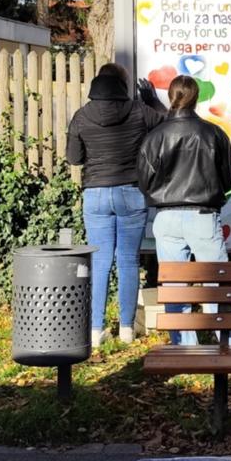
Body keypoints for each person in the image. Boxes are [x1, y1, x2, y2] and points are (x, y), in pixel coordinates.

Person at [137, 74, 231, 346]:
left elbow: (144, 181)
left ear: (171, 97)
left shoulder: (154, 136)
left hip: (167, 217)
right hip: (203, 215)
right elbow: (228, 177)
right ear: (196, 98)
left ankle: (185, 349)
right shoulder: (214, 133)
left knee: (175, 289)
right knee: (217, 284)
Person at [66, 63, 165, 346]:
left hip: (96, 194)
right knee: (128, 260)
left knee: (99, 261)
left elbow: (74, 158)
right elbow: (170, 123)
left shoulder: (81, 115)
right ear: (123, 84)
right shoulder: (139, 110)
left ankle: (95, 330)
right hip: (131, 191)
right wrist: (152, 100)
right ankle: (126, 329)